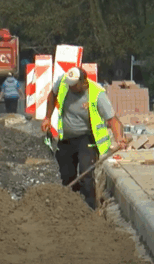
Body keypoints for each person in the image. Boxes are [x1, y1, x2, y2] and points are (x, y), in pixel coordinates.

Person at [41, 67, 127, 209]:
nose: (71, 87)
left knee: (86, 175)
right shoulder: (63, 82)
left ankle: (89, 209)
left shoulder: (97, 93)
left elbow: (112, 119)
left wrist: (119, 138)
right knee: (67, 175)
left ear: (83, 82)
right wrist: (47, 118)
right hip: (66, 138)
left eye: (74, 85)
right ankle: (71, 207)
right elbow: (52, 95)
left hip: (86, 139)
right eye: (69, 84)